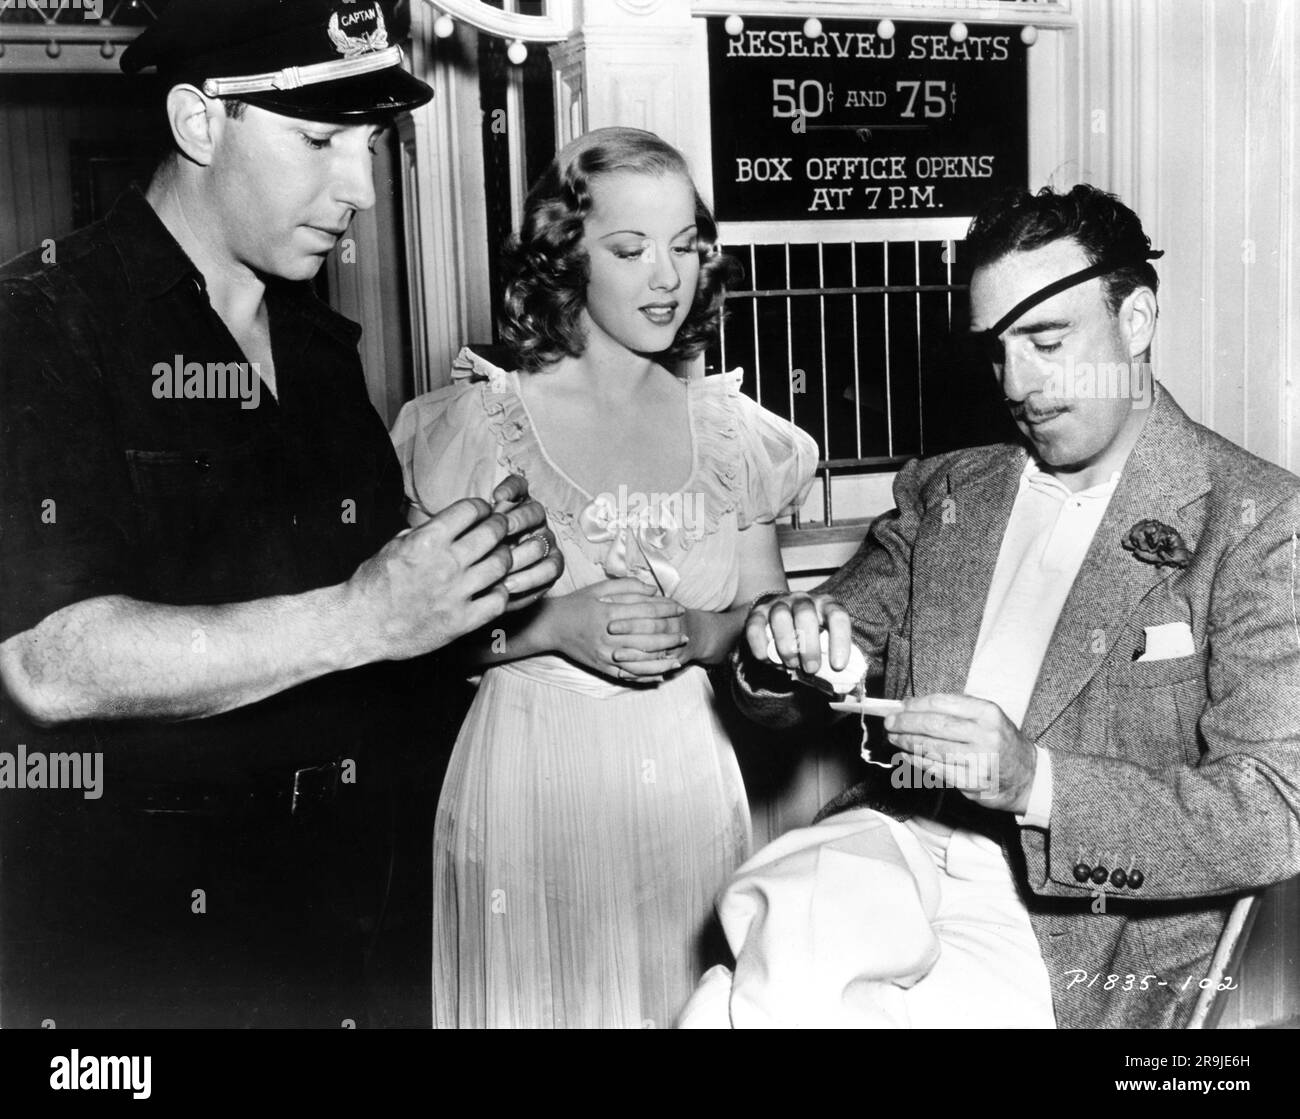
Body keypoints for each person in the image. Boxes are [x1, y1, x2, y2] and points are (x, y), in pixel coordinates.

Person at [0, 0, 561, 1028]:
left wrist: (469, 575)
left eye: (371, 145)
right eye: (317, 140)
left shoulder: (315, 345)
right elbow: (50, 663)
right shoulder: (40, 325)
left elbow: (346, 603)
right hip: (147, 946)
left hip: (353, 914)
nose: (359, 190)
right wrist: (365, 615)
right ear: (199, 124)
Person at [681, 184, 1300, 1029]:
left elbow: (1272, 810)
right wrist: (778, 645)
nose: (1019, 383)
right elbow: (800, 669)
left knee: (749, 1010)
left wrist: (1034, 783)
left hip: (1070, 927)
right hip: (893, 838)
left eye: (1047, 341)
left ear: (1138, 321)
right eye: (999, 349)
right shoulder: (949, 491)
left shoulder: (1257, 522)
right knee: (780, 943)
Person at [392, 127, 819, 1028]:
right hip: (529, 793)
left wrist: (705, 635)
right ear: (564, 258)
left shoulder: (731, 432)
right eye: (630, 249)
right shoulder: (475, 425)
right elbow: (406, 650)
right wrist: (554, 624)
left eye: (684, 247)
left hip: (689, 806)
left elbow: (763, 635)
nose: (668, 277)